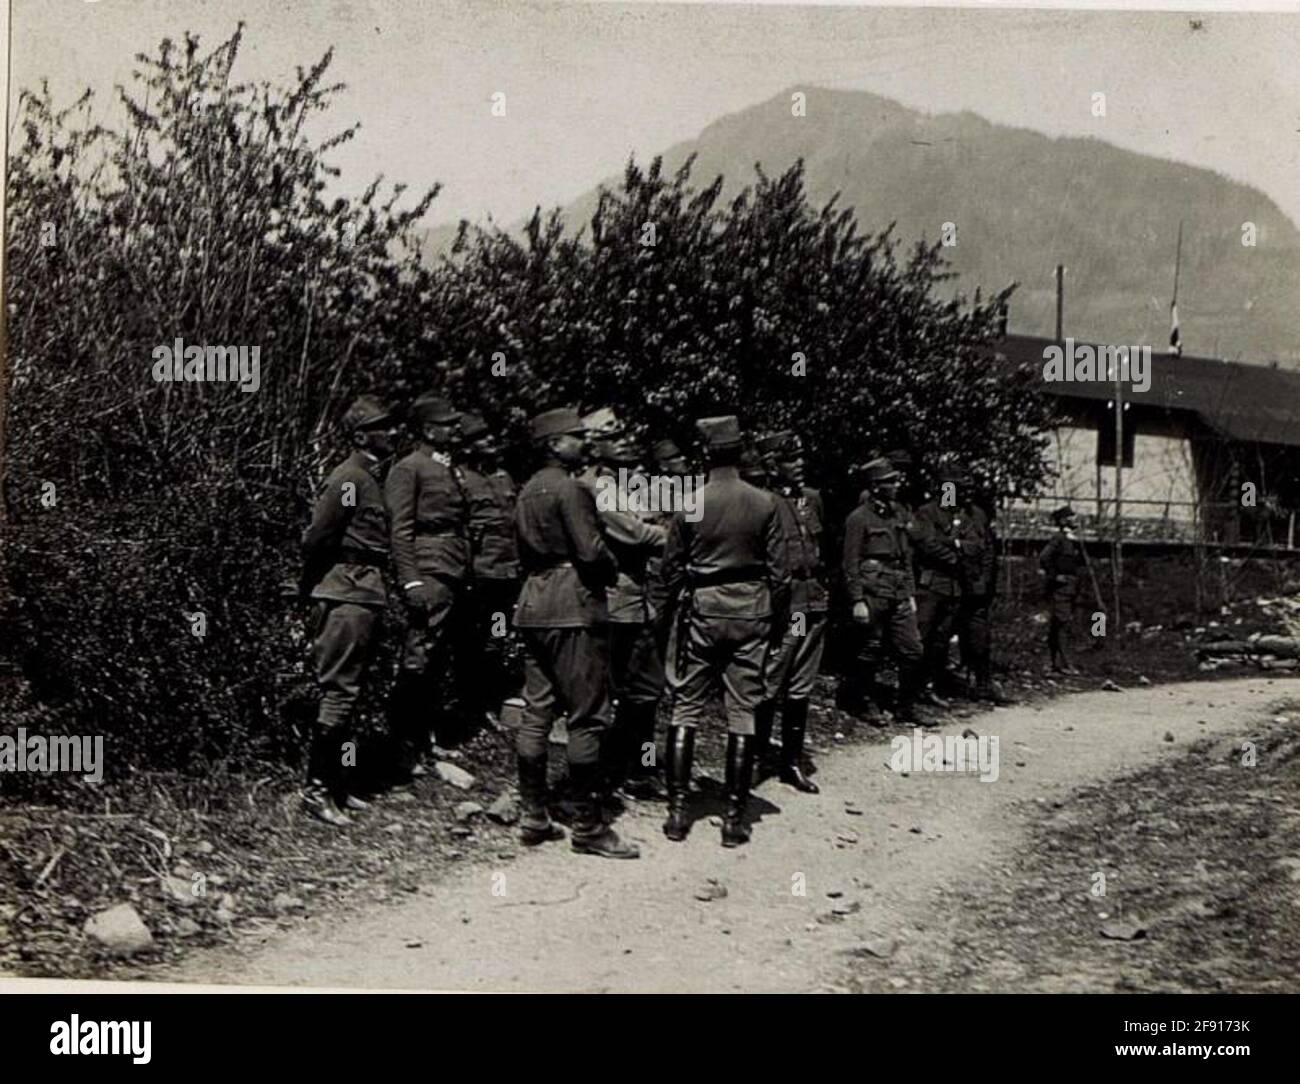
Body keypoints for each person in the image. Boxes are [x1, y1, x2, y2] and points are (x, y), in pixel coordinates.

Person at [651, 416, 791, 847]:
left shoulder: (691, 501)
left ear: (706, 454)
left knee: (686, 708)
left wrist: (664, 617)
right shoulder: (766, 502)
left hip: (703, 611)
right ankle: (733, 819)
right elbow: (781, 574)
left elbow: (670, 568)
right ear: (739, 450)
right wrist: (776, 621)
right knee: (743, 713)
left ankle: (677, 815)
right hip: (751, 611)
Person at [513, 407, 639, 858]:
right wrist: (609, 570)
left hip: (533, 604)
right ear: (554, 445)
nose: (585, 443)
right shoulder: (571, 488)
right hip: (572, 604)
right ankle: (588, 827)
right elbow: (591, 551)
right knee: (589, 714)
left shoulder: (527, 488)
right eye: (575, 437)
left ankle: (532, 815)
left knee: (537, 709)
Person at [298, 395, 400, 826]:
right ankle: (316, 791)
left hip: (365, 593)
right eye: (384, 426)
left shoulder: (371, 478)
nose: (393, 432)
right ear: (361, 436)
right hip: (345, 593)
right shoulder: (348, 478)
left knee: (351, 692)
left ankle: (337, 783)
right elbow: (317, 537)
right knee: (339, 692)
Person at [580, 408, 669, 802]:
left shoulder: (629, 482)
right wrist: (669, 531)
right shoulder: (594, 486)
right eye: (614, 437)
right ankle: (601, 774)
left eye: (624, 435)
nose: (625, 441)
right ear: (594, 445)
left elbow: (663, 514)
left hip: (640, 600)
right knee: (608, 689)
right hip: (613, 601)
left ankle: (639, 768)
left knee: (646, 689)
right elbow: (633, 533)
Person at [384, 393, 471, 782]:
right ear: (426, 429)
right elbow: (400, 529)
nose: (456, 428)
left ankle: (422, 742)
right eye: (448, 423)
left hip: (451, 569)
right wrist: (411, 578)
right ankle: (403, 749)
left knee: (435, 661)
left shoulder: (448, 467)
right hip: (429, 569)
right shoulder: (409, 469)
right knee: (416, 660)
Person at [754, 430, 828, 793]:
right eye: (790, 459)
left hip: (813, 600)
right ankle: (756, 758)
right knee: (771, 680)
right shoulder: (763, 502)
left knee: (801, 684)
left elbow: (820, 546)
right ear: (772, 465)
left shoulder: (811, 499)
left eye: (800, 458)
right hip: (786, 605)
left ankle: (790, 763)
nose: (799, 464)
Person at [839, 457, 936, 727]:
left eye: (895, 480)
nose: (896, 485)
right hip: (872, 592)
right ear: (875, 486)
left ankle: (906, 706)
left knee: (913, 650)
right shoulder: (858, 519)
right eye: (889, 481)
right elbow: (850, 562)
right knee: (870, 649)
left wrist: (910, 594)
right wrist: (857, 599)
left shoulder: (899, 514)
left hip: (897, 591)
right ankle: (865, 702)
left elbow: (905, 557)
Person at [458, 412, 522, 728]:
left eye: (491, 436)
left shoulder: (504, 478)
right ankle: (467, 707)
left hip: (506, 578)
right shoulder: (460, 480)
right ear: (468, 446)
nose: (491, 442)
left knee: (496, 639)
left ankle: (488, 702)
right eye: (482, 438)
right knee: (470, 643)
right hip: (478, 577)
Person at [911, 464, 969, 705]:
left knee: (941, 641)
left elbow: (975, 545)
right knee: (921, 638)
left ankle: (929, 686)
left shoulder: (960, 515)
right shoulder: (926, 513)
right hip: (931, 585)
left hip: (953, 586)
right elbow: (927, 545)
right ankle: (912, 689)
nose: (956, 493)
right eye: (953, 488)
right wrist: (956, 554)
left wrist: (954, 546)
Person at [1038, 506, 1085, 673]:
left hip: (1072, 587)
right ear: (1064, 521)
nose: (1076, 519)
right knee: (1062, 623)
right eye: (1072, 517)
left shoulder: (1072, 539)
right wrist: (1054, 576)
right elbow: (1044, 558)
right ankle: (1064, 663)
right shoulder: (1059, 538)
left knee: (1059, 624)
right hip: (1061, 588)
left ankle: (1051, 663)